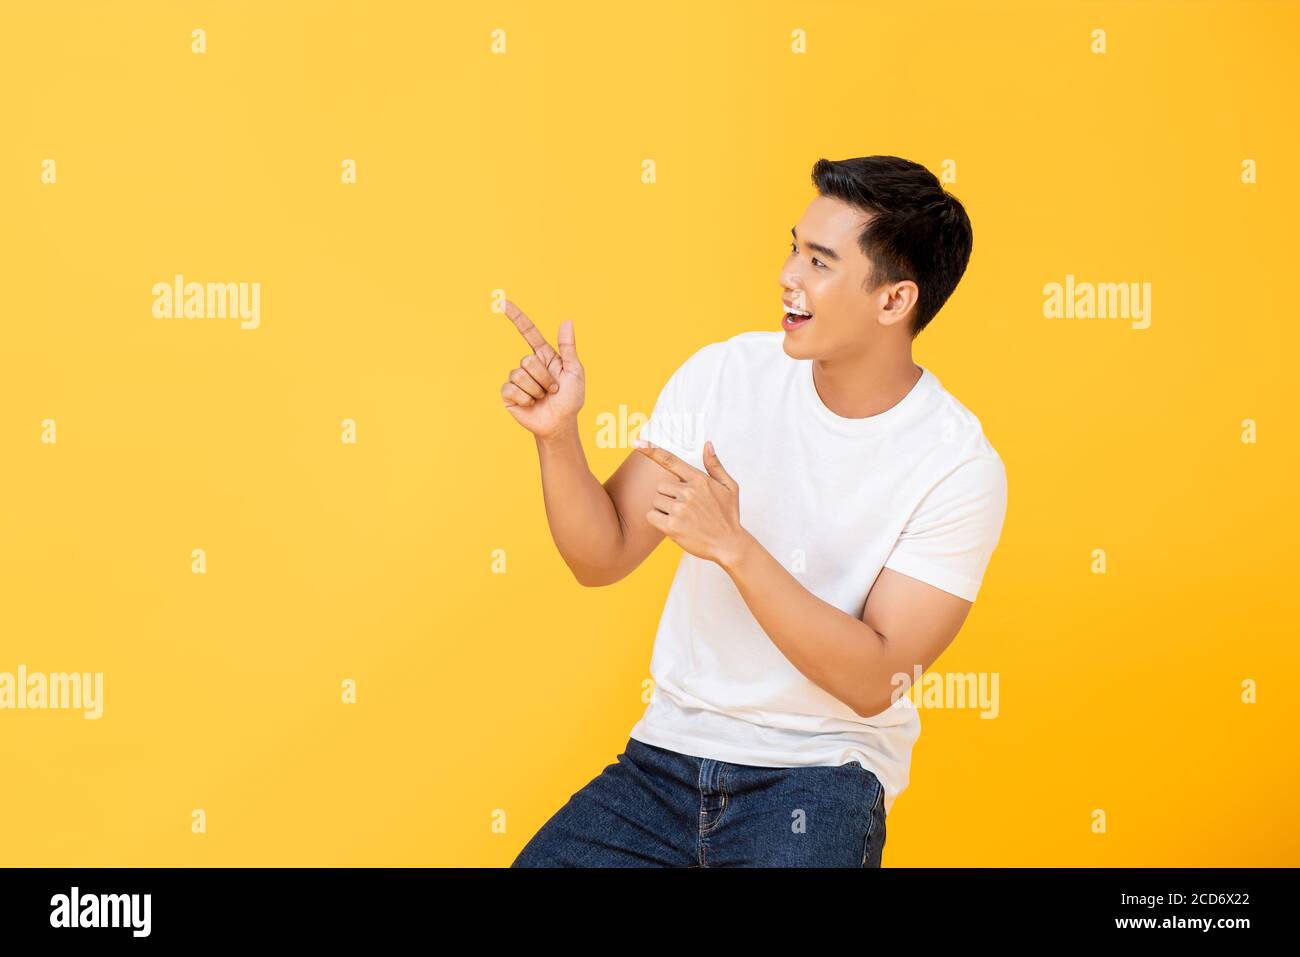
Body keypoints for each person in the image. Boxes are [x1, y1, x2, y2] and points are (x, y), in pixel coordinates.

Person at [500, 156, 1008, 867]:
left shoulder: (957, 463)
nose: (788, 275)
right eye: (794, 246)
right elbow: (602, 553)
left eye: (820, 262)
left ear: (894, 301)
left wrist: (736, 548)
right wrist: (558, 438)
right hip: (663, 762)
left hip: (820, 778)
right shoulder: (727, 374)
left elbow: (875, 679)